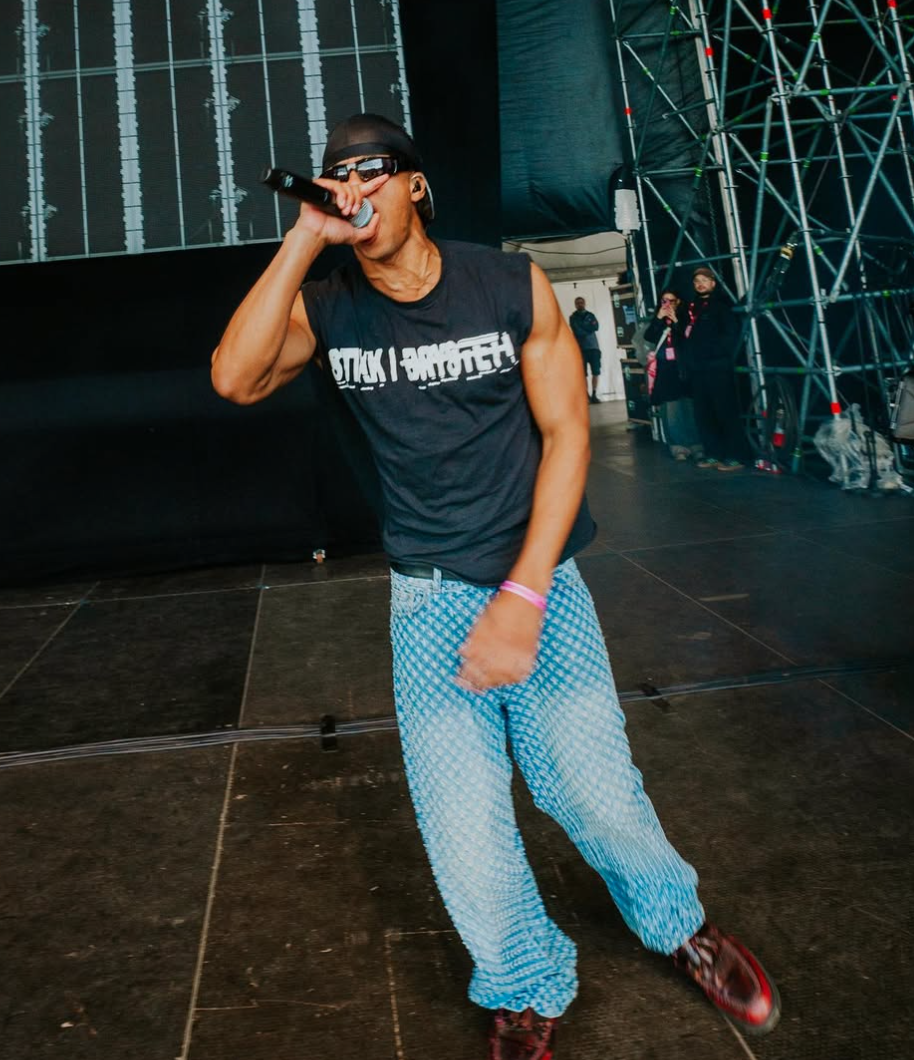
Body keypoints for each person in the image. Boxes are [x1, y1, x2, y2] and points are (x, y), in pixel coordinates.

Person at [211, 113, 780, 1059]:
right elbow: (234, 378)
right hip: (429, 599)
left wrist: (522, 598)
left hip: (537, 578)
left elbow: (566, 437)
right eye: (338, 177)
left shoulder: (509, 284)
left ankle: (681, 926)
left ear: (415, 183)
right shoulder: (330, 306)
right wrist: (305, 237)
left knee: (593, 791)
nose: (355, 188)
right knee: (464, 831)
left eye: (373, 170)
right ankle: (522, 987)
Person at [682, 266, 749, 471]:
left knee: (725, 411)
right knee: (704, 413)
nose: (700, 284)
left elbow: (730, 336)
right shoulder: (692, 307)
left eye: (704, 280)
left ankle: (735, 455)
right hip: (698, 369)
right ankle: (713, 453)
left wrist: (712, 353)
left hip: (718, 367)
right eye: (697, 281)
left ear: (713, 283)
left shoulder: (721, 305)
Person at [643, 288, 703, 461]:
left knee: (689, 407)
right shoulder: (659, 319)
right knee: (671, 409)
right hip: (666, 369)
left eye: (672, 301)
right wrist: (658, 318)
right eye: (664, 301)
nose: (668, 304)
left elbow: (689, 338)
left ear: (679, 302)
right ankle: (678, 446)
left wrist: (676, 321)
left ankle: (696, 444)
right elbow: (649, 336)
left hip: (683, 367)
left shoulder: (686, 317)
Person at [569, 295, 603, 403]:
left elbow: (596, 327)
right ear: (575, 305)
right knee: (583, 374)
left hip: (593, 348)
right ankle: (586, 395)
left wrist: (583, 326)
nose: (580, 304)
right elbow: (577, 331)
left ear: (584, 303)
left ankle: (594, 394)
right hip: (581, 349)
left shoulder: (590, 315)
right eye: (578, 303)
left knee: (596, 372)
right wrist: (588, 327)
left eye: (581, 302)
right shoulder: (573, 317)